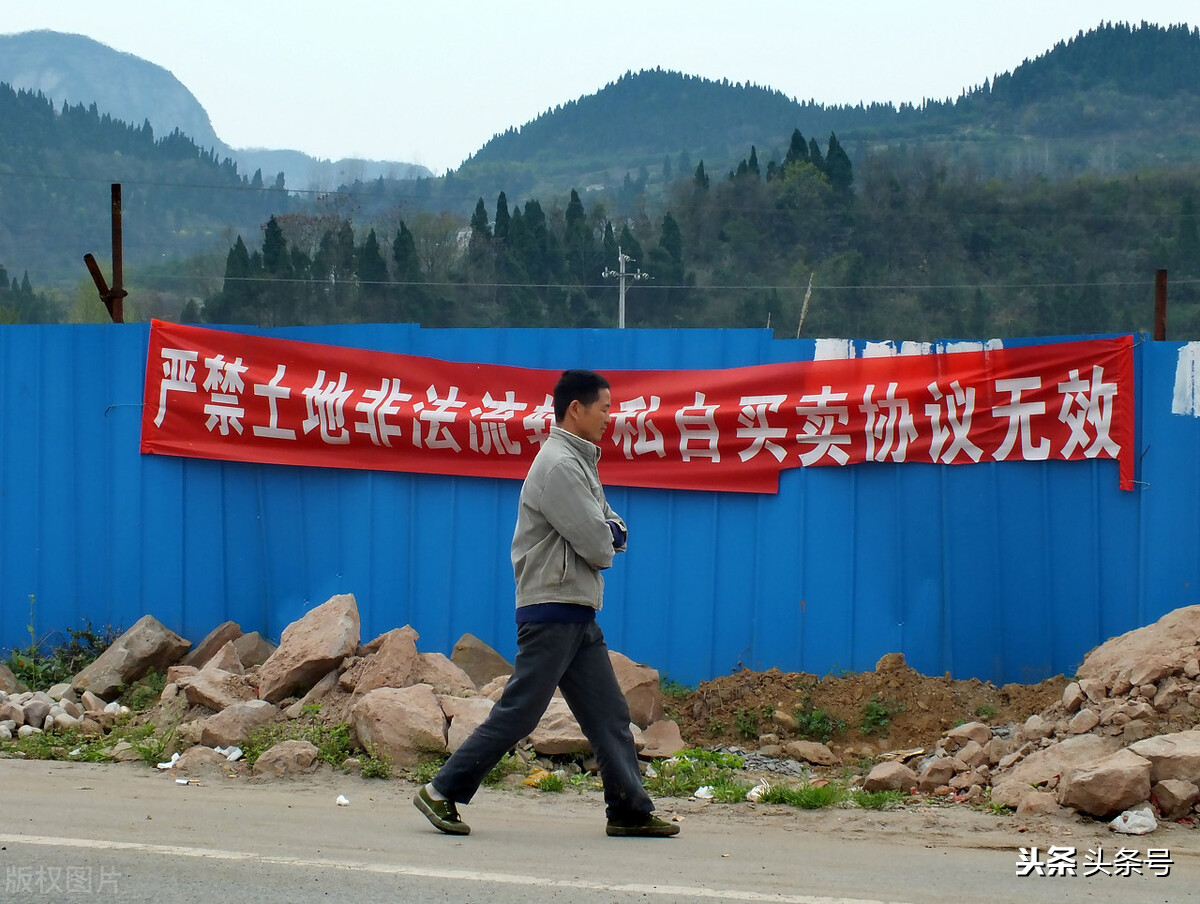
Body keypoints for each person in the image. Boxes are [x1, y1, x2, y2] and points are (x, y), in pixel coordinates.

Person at [414, 368, 678, 838]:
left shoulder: (579, 462)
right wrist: (609, 533)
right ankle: (441, 792)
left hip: (575, 609)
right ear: (575, 409)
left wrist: (609, 531)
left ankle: (628, 809)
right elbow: (600, 542)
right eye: (604, 409)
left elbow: (612, 527)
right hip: (552, 609)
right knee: (520, 711)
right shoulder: (558, 465)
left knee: (608, 713)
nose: (609, 418)